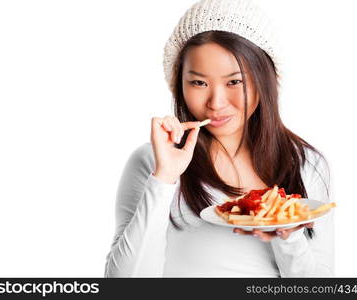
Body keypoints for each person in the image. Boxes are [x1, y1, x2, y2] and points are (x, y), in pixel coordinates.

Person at [104, 0, 334, 277]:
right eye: (199, 83)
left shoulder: (306, 163)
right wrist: (164, 179)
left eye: (235, 82)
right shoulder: (152, 161)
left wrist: (289, 236)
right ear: (179, 83)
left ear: (265, 80)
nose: (216, 102)